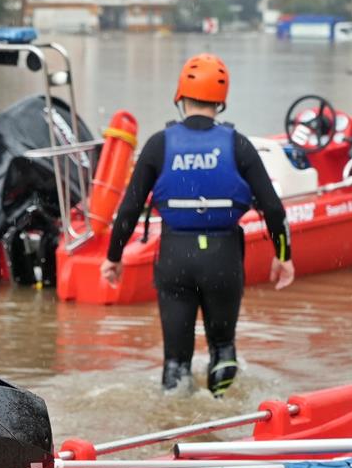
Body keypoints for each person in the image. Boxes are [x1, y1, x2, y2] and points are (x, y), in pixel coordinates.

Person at [100, 53, 295, 397]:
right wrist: (284, 255)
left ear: (180, 96)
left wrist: (113, 257)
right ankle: (222, 421)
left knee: (175, 360)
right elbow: (274, 209)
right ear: (221, 101)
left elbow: (129, 208)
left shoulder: (159, 145)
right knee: (222, 349)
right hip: (223, 259)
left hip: (175, 258)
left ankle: (173, 429)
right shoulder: (238, 145)